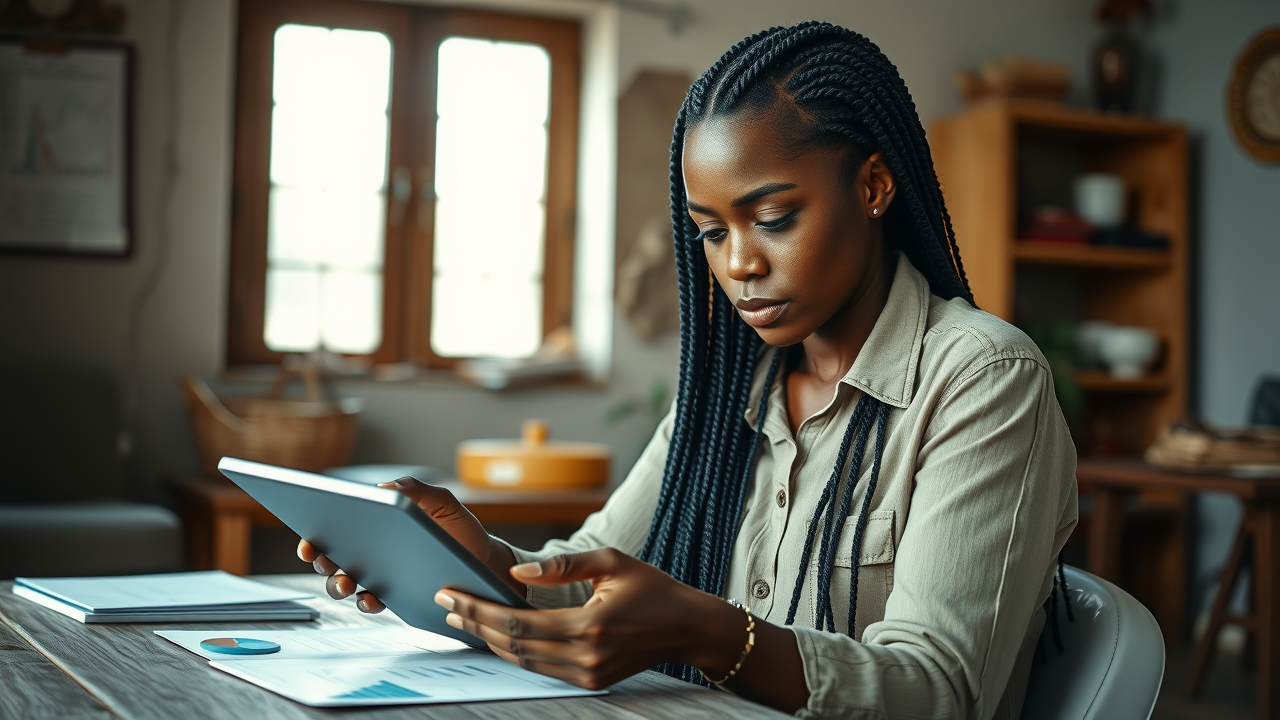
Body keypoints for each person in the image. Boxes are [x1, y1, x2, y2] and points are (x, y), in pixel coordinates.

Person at [301, 21, 1078, 719]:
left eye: (774, 219)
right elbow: (591, 576)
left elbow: (938, 692)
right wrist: (474, 560)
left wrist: (711, 634)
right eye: (710, 232)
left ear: (873, 186)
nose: (739, 263)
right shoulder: (727, 393)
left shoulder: (983, 379)